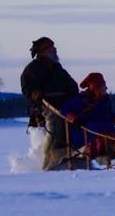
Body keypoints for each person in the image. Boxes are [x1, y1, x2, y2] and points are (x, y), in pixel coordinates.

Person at [20, 37, 78, 170]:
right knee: (55, 127)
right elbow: (28, 87)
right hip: (45, 108)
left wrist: (73, 95)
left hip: (64, 106)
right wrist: (35, 94)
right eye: (52, 47)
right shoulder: (33, 68)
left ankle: (76, 159)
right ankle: (48, 164)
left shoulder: (58, 68)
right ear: (44, 51)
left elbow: (72, 85)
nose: (56, 50)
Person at [61, 72, 115, 159]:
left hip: (105, 129)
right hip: (86, 131)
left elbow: (109, 112)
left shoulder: (105, 100)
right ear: (96, 88)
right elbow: (65, 109)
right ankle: (112, 147)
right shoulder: (80, 100)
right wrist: (74, 118)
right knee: (100, 136)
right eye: (103, 87)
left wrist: (114, 117)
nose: (105, 89)